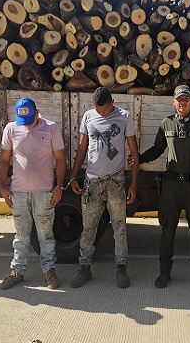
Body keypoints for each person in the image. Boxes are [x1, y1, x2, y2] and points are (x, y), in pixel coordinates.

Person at [137, 85, 190, 290]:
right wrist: (139, 159)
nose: (182, 103)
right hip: (171, 185)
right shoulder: (167, 123)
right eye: (179, 99)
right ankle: (164, 272)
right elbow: (157, 149)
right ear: (173, 102)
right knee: (167, 230)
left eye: (186, 99)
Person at [68, 87, 139, 289]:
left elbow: (134, 151)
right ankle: (84, 268)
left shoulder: (125, 117)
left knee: (119, 226)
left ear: (112, 102)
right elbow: (82, 149)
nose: (102, 114)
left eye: (105, 110)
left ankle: (121, 268)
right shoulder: (88, 116)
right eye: (98, 110)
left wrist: (134, 183)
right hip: (92, 183)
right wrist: (73, 177)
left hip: (115, 181)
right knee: (88, 227)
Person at [0, 97, 66, 290]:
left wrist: (59, 186)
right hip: (18, 194)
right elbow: (4, 159)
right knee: (21, 236)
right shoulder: (11, 129)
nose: (26, 125)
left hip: (44, 193)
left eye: (29, 120)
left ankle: (49, 272)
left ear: (37, 113)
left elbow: (60, 159)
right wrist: (2, 186)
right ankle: (17, 272)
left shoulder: (51, 128)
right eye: (22, 121)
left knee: (46, 236)